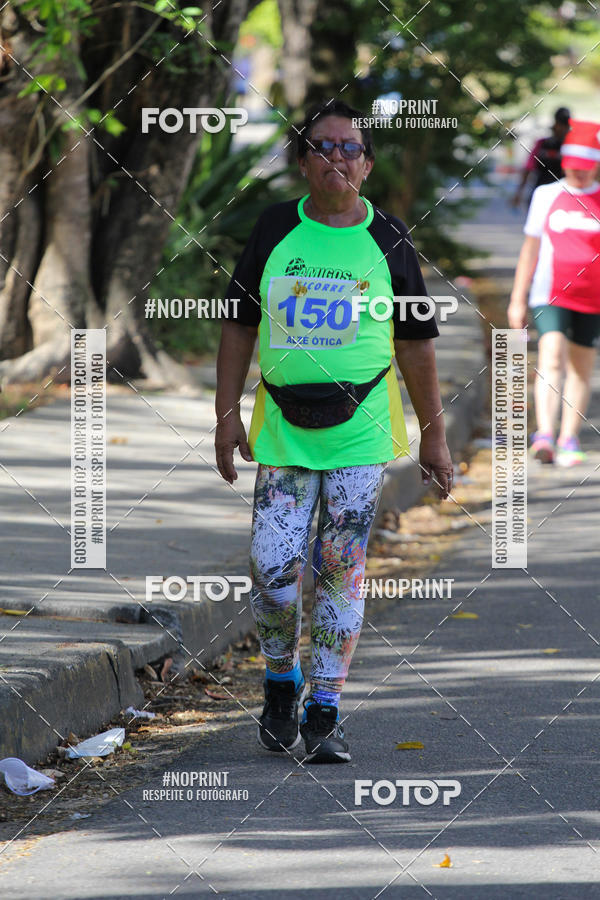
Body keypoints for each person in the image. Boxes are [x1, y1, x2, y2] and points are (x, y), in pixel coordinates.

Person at [215, 100, 453, 764]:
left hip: (362, 429)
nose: (337, 159)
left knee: (339, 568)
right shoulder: (272, 230)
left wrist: (433, 437)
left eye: (350, 148)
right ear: (302, 163)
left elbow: (417, 344)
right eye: (323, 147)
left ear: (368, 164)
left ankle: (325, 708)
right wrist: (225, 414)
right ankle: (280, 679)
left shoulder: (389, 238)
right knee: (271, 569)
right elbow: (237, 324)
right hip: (284, 429)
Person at [508, 119, 600, 466]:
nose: (579, 174)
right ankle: (544, 433)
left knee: (580, 368)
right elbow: (529, 250)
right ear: (565, 163)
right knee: (551, 354)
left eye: (586, 168)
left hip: (593, 298)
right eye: (574, 167)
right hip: (550, 293)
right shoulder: (547, 195)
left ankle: (569, 437)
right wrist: (518, 299)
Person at [512, 107, 571, 208]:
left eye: (565, 126)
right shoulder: (541, 144)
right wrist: (519, 192)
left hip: (564, 196)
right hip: (541, 193)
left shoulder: (571, 147)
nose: (562, 129)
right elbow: (528, 168)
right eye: (560, 125)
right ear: (555, 124)